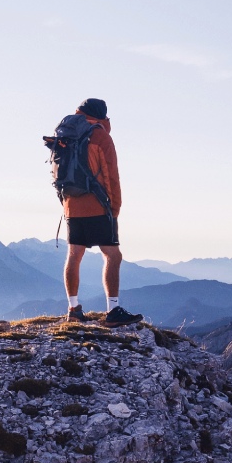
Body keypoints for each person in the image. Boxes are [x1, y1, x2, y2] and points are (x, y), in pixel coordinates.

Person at [62, 98, 143, 328]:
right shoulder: (99, 136)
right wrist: (114, 208)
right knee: (113, 256)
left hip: (71, 205)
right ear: (103, 116)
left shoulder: (67, 133)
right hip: (98, 205)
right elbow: (111, 176)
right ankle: (113, 310)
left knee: (74, 255)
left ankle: (73, 309)